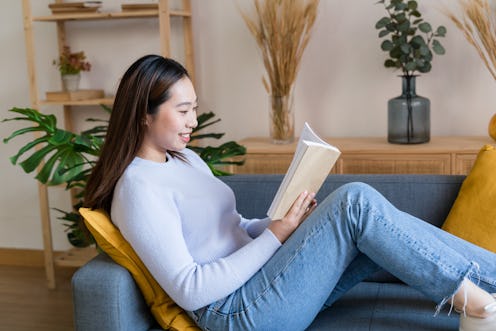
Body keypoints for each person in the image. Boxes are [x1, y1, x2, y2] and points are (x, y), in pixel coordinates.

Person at [84, 54, 496, 331]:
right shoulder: (138, 188)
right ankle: (479, 306)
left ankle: (484, 289)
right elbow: (190, 288)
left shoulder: (185, 159)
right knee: (355, 201)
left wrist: (282, 222)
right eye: (183, 110)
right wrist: (277, 236)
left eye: (194, 107)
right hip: (237, 312)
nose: (193, 120)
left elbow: (233, 226)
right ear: (143, 115)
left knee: (364, 218)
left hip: (263, 282)